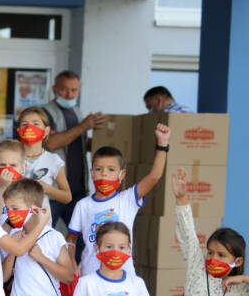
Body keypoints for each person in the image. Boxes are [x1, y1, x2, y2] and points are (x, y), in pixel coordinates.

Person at [66, 124, 171, 276]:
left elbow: (154, 177)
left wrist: (162, 144)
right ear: (92, 173)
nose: (104, 174)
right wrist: (71, 262)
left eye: (111, 169)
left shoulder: (127, 199)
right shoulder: (83, 205)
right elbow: (70, 239)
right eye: (98, 169)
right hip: (90, 275)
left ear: (121, 175)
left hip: (124, 274)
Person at [41, 71, 105, 231]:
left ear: (79, 90)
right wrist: (83, 126)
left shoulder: (77, 111)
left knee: (81, 240)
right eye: (64, 89)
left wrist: (105, 141)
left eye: (74, 90)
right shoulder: (44, 112)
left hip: (78, 190)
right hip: (53, 191)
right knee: (43, 236)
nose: (69, 94)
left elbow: (79, 142)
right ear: (54, 89)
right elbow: (50, 144)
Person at [15, 106, 71, 218]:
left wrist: (48, 189)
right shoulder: (11, 157)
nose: (30, 128)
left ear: (46, 131)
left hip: (40, 223)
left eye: (36, 124)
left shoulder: (53, 160)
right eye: (24, 124)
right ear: (19, 131)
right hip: (13, 221)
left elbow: (67, 197)